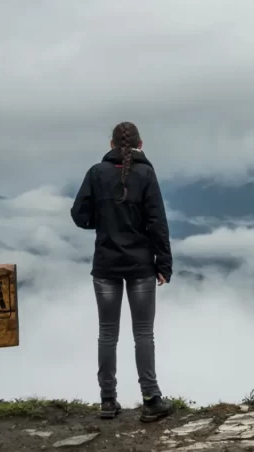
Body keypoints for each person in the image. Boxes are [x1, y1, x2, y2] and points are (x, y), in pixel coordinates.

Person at [70, 121, 175, 422]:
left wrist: (101, 224)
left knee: (107, 333)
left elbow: (79, 215)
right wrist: (164, 264)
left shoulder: (96, 173)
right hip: (141, 264)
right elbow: (157, 223)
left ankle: (107, 401)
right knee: (143, 333)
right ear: (141, 145)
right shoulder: (146, 174)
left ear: (111, 144)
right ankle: (151, 399)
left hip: (105, 264)